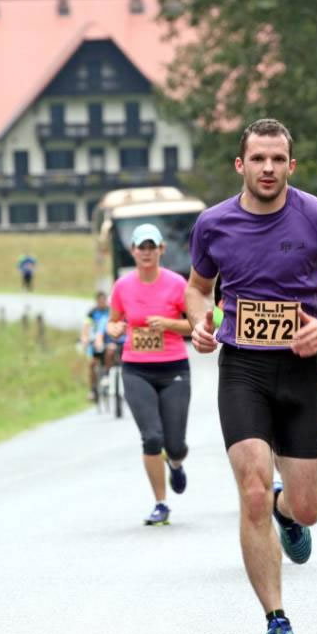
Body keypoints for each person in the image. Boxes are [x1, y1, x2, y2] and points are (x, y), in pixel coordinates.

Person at [186, 118, 317, 634]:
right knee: (250, 490)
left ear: (291, 165)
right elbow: (197, 289)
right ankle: (276, 620)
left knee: (308, 508)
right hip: (242, 369)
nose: (267, 168)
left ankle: (285, 510)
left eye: (277, 159)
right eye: (258, 159)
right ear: (240, 165)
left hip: (298, 370)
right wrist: (200, 322)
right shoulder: (213, 224)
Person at [108, 223, 193, 526]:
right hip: (137, 369)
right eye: (140, 247)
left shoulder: (177, 284)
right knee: (152, 437)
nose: (146, 253)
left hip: (174, 368)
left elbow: (195, 324)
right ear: (132, 251)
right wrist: (114, 328)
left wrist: (169, 324)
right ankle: (161, 503)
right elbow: (113, 321)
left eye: (151, 247)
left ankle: (176, 464)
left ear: (161, 250)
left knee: (175, 444)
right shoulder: (122, 286)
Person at [80, 290, 120, 400]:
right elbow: (86, 326)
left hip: (109, 339)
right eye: (100, 301)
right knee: (92, 363)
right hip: (96, 340)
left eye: (104, 300)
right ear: (97, 301)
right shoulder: (92, 312)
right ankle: (93, 389)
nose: (102, 302)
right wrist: (84, 338)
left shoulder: (111, 311)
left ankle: (108, 375)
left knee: (112, 353)